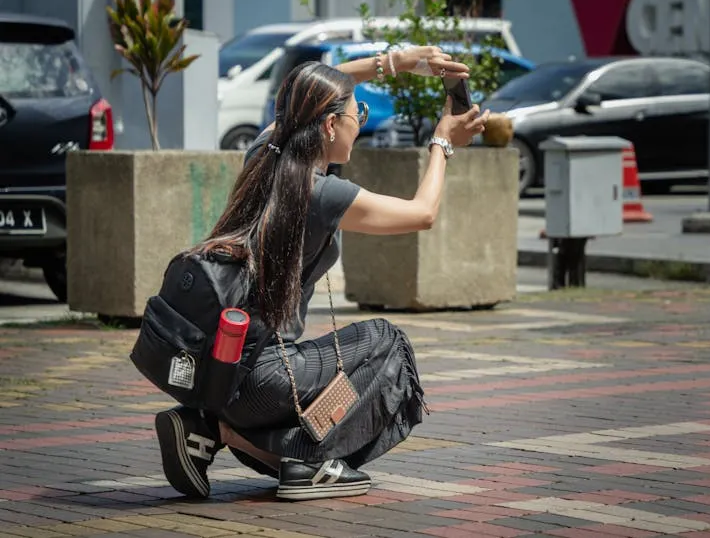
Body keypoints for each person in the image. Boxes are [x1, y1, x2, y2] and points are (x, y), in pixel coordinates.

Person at [150, 46, 490, 502]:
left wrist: (397, 63)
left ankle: (207, 428)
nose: (360, 124)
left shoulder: (263, 155)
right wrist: (442, 142)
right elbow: (422, 213)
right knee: (387, 343)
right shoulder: (320, 192)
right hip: (262, 382)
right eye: (357, 115)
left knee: (332, 359)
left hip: (218, 372)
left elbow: (300, 91)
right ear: (330, 125)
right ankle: (299, 460)